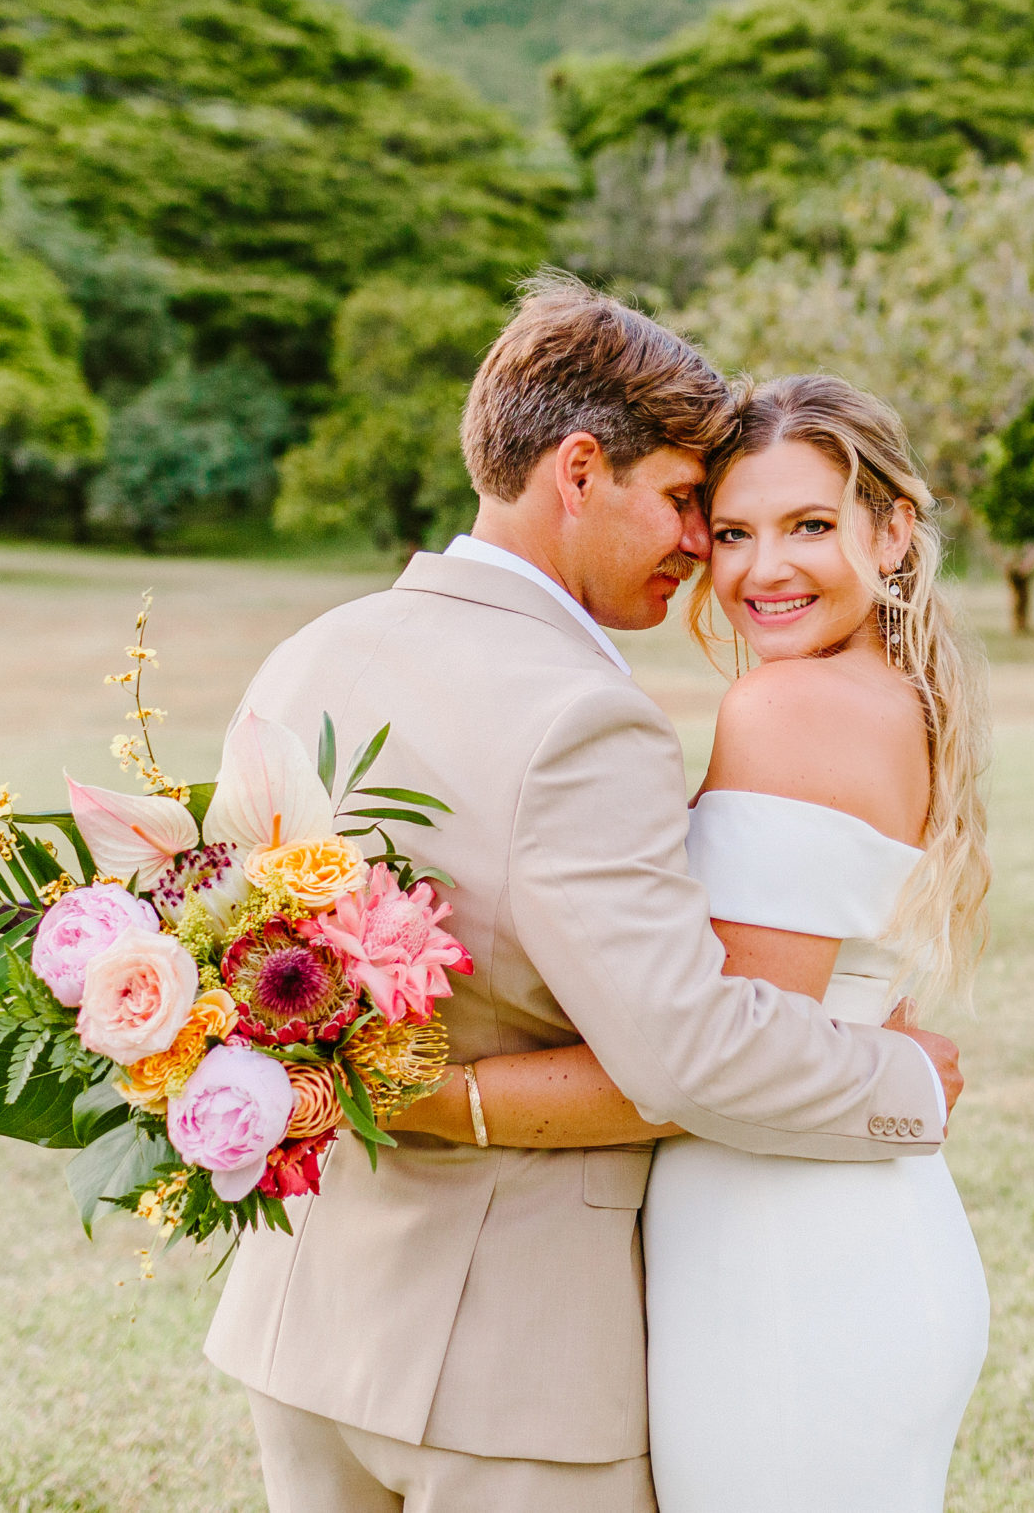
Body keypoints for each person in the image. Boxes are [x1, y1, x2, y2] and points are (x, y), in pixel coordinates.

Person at [203, 276, 964, 1513]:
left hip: (301, 1326)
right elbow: (688, 1054)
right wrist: (905, 1082)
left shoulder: (315, 650)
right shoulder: (582, 716)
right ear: (575, 471)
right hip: (507, 1378)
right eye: (683, 504)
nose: (696, 547)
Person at [392, 373, 995, 1513]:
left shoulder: (790, 709)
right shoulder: (874, 689)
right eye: (731, 532)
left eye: (809, 525)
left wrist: (423, 1091)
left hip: (787, 1263)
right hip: (828, 1231)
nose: (765, 569)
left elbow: (715, 1057)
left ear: (892, 530)